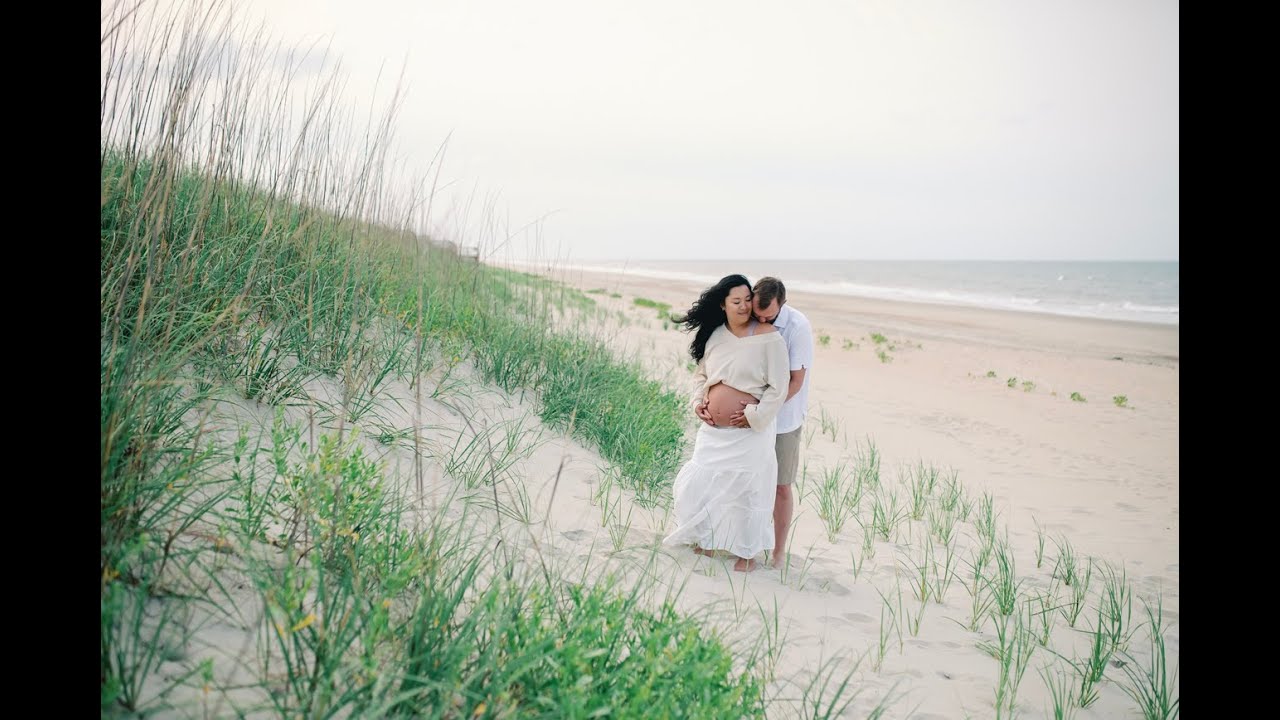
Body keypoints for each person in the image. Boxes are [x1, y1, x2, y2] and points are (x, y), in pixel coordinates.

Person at [663, 274, 791, 572]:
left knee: (747, 489)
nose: (745, 306)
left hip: (750, 432)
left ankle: (747, 553)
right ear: (723, 305)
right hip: (713, 430)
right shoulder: (716, 335)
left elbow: (779, 387)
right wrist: (698, 403)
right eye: (737, 301)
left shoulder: (769, 337)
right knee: (704, 482)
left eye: (748, 299)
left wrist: (754, 416)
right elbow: (701, 376)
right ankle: (705, 539)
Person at [725, 276, 813, 568]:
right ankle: (740, 543)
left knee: (780, 486)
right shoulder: (749, 315)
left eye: (769, 316)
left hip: (783, 419)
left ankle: (778, 551)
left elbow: (796, 381)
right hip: (748, 418)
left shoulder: (798, 327)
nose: (762, 320)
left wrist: (762, 410)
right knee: (745, 479)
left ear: (782, 306)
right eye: (758, 315)